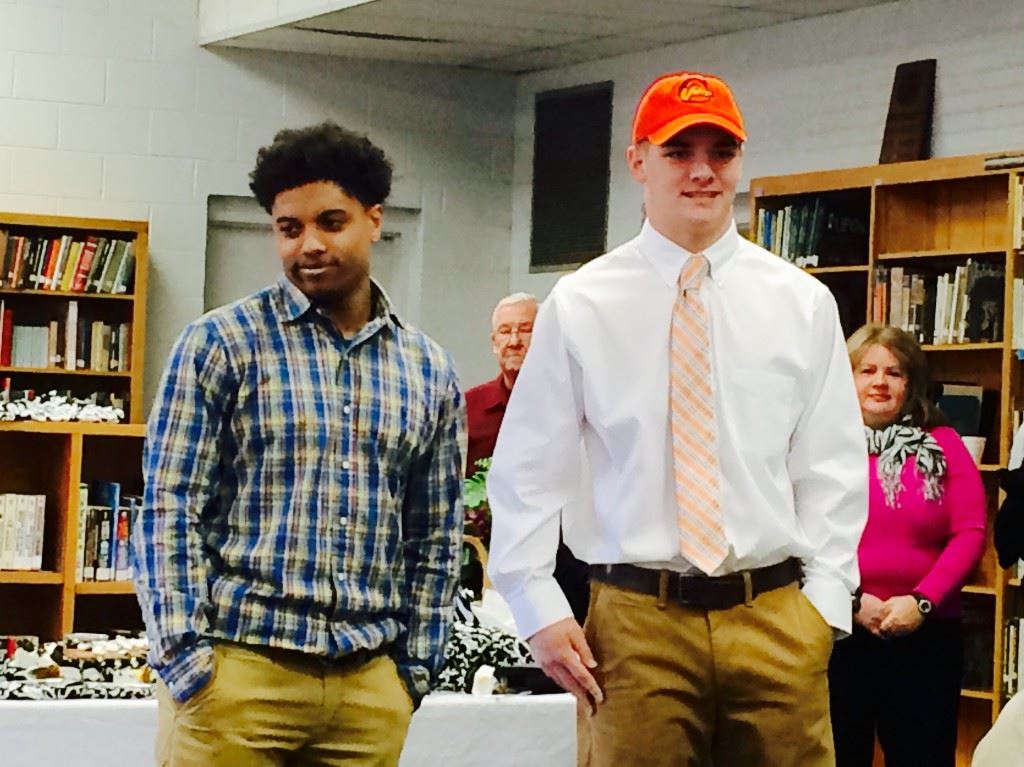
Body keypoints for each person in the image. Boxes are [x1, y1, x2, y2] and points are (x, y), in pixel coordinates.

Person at [487, 70, 869, 766]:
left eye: (720, 152)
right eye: (677, 150)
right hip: (636, 623)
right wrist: (536, 602)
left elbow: (832, 466)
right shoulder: (581, 303)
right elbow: (528, 470)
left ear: (741, 161)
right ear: (637, 161)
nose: (701, 170)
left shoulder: (801, 303)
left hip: (776, 614)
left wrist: (824, 602)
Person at [133, 122, 466, 767]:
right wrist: (186, 660)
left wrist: (412, 670)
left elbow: (436, 535)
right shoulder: (220, 345)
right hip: (237, 678)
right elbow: (169, 507)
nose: (309, 245)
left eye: (330, 222)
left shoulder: (429, 371)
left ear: (374, 220)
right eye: (289, 228)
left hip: (369, 693)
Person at [828, 323, 986, 767]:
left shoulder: (944, 445)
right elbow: (803, 535)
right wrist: (853, 602)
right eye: (867, 370)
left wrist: (921, 603)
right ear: (846, 377)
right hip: (840, 630)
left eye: (894, 373)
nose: (880, 382)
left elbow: (970, 532)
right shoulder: (821, 447)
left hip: (926, 636)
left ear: (910, 384)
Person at [465, 293, 590, 622]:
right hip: (487, 563)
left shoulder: (575, 403)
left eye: (525, 330)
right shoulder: (469, 409)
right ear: (494, 342)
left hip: (566, 564)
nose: (515, 341)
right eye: (505, 332)